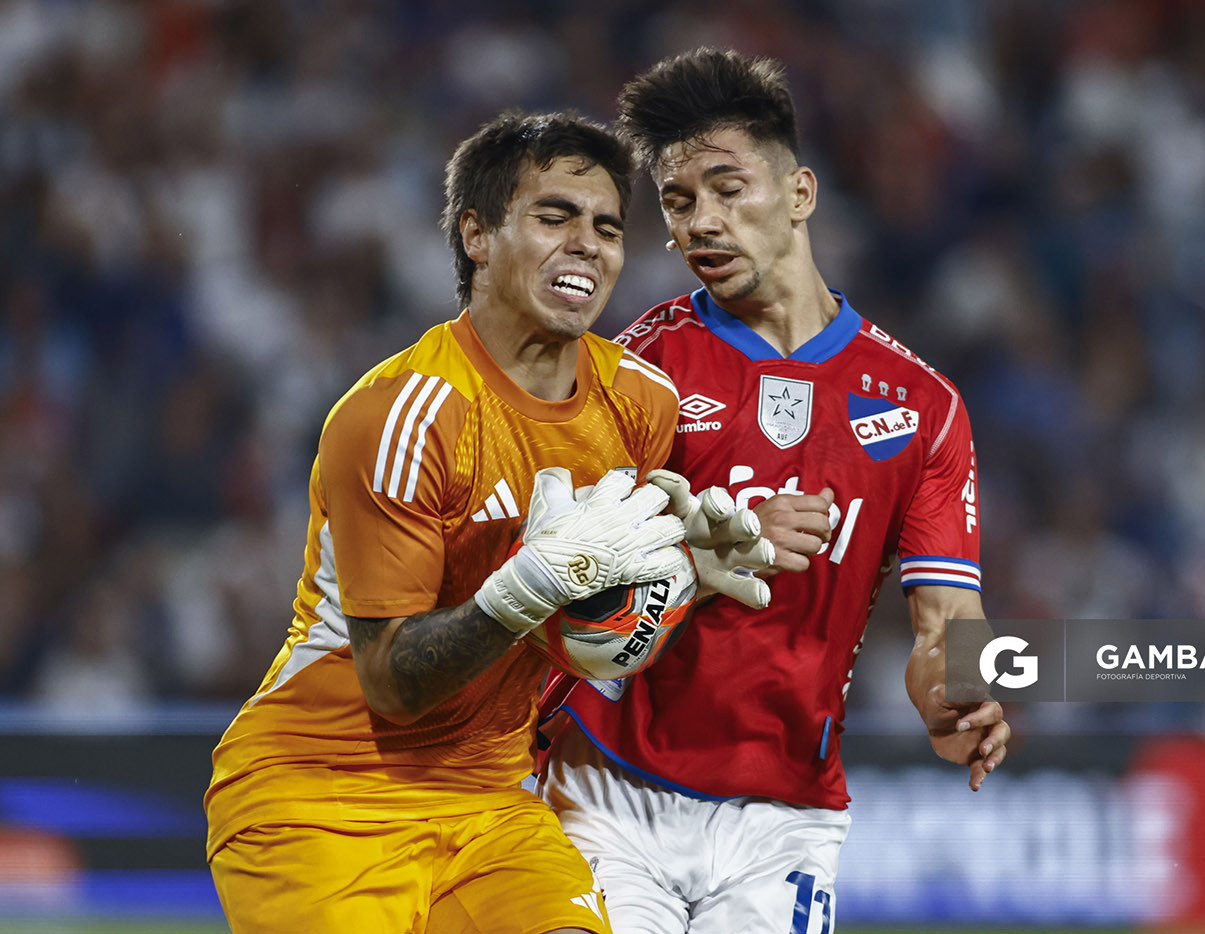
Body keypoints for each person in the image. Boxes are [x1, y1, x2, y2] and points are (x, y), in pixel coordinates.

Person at [537, 50, 1011, 933]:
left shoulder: (924, 408)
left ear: (799, 193)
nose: (702, 223)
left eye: (728, 189)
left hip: (787, 817)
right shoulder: (638, 370)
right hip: (610, 784)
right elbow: (567, 594)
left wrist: (954, 697)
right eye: (679, 203)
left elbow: (946, 627)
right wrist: (706, 547)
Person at [204, 110, 695, 934]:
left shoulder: (642, 405)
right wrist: (526, 590)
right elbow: (392, 684)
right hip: (323, 792)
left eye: (608, 227)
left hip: (489, 800)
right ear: (477, 236)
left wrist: (690, 575)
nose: (588, 244)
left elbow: (598, 623)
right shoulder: (399, 416)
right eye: (555, 216)